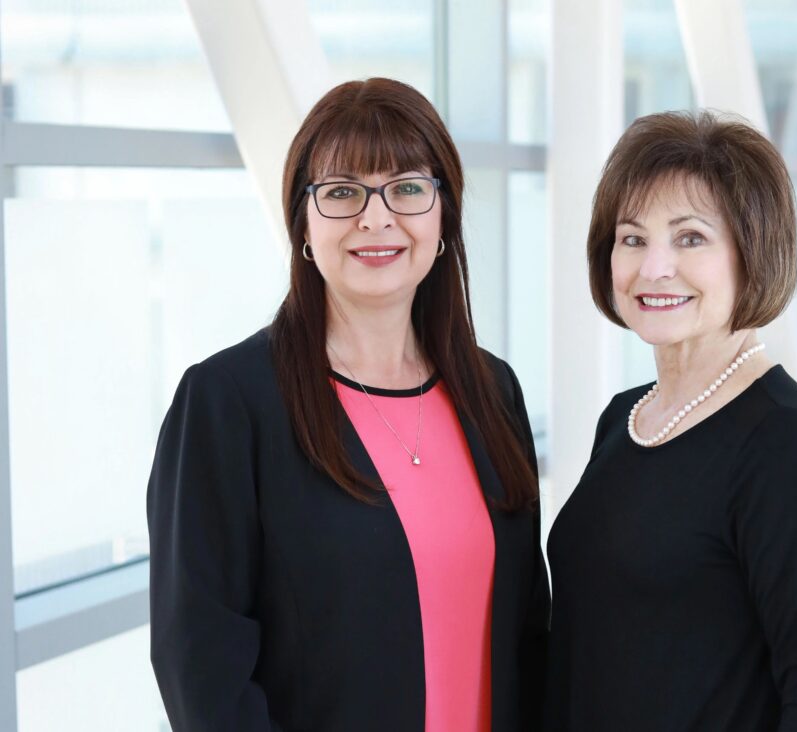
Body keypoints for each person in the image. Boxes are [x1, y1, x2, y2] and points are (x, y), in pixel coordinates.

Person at [148, 78, 548, 732]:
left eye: (408, 188)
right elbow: (202, 668)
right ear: (303, 223)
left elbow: (529, 632)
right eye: (342, 193)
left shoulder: (493, 391)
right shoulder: (228, 403)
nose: (376, 218)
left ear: (444, 215)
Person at [544, 111, 797, 731]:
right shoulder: (626, 418)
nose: (654, 267)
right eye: (632, 238)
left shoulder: (786, 444)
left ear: (752, 252)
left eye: (690, 238)